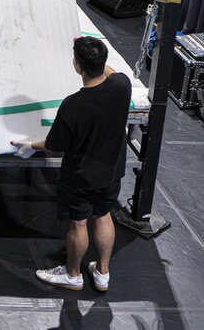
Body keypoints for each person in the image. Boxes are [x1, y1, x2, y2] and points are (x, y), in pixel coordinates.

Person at [11, 37, 132, 292]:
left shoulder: (73, 105)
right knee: (103, 215)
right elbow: (107, 71)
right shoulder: (122, 85)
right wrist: (91, 52)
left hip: (81, 176)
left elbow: (53, 144)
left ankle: (72, 275)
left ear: (77, 65)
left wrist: (30, 145)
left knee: (78, 223)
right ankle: (102, 273)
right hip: (111, 170)